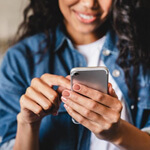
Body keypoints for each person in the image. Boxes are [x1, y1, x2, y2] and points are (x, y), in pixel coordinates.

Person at [0, 0, 150, 149]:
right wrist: (27, 123)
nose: (90, 4)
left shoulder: (143, 51)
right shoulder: (20, 59)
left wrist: (118, 133)